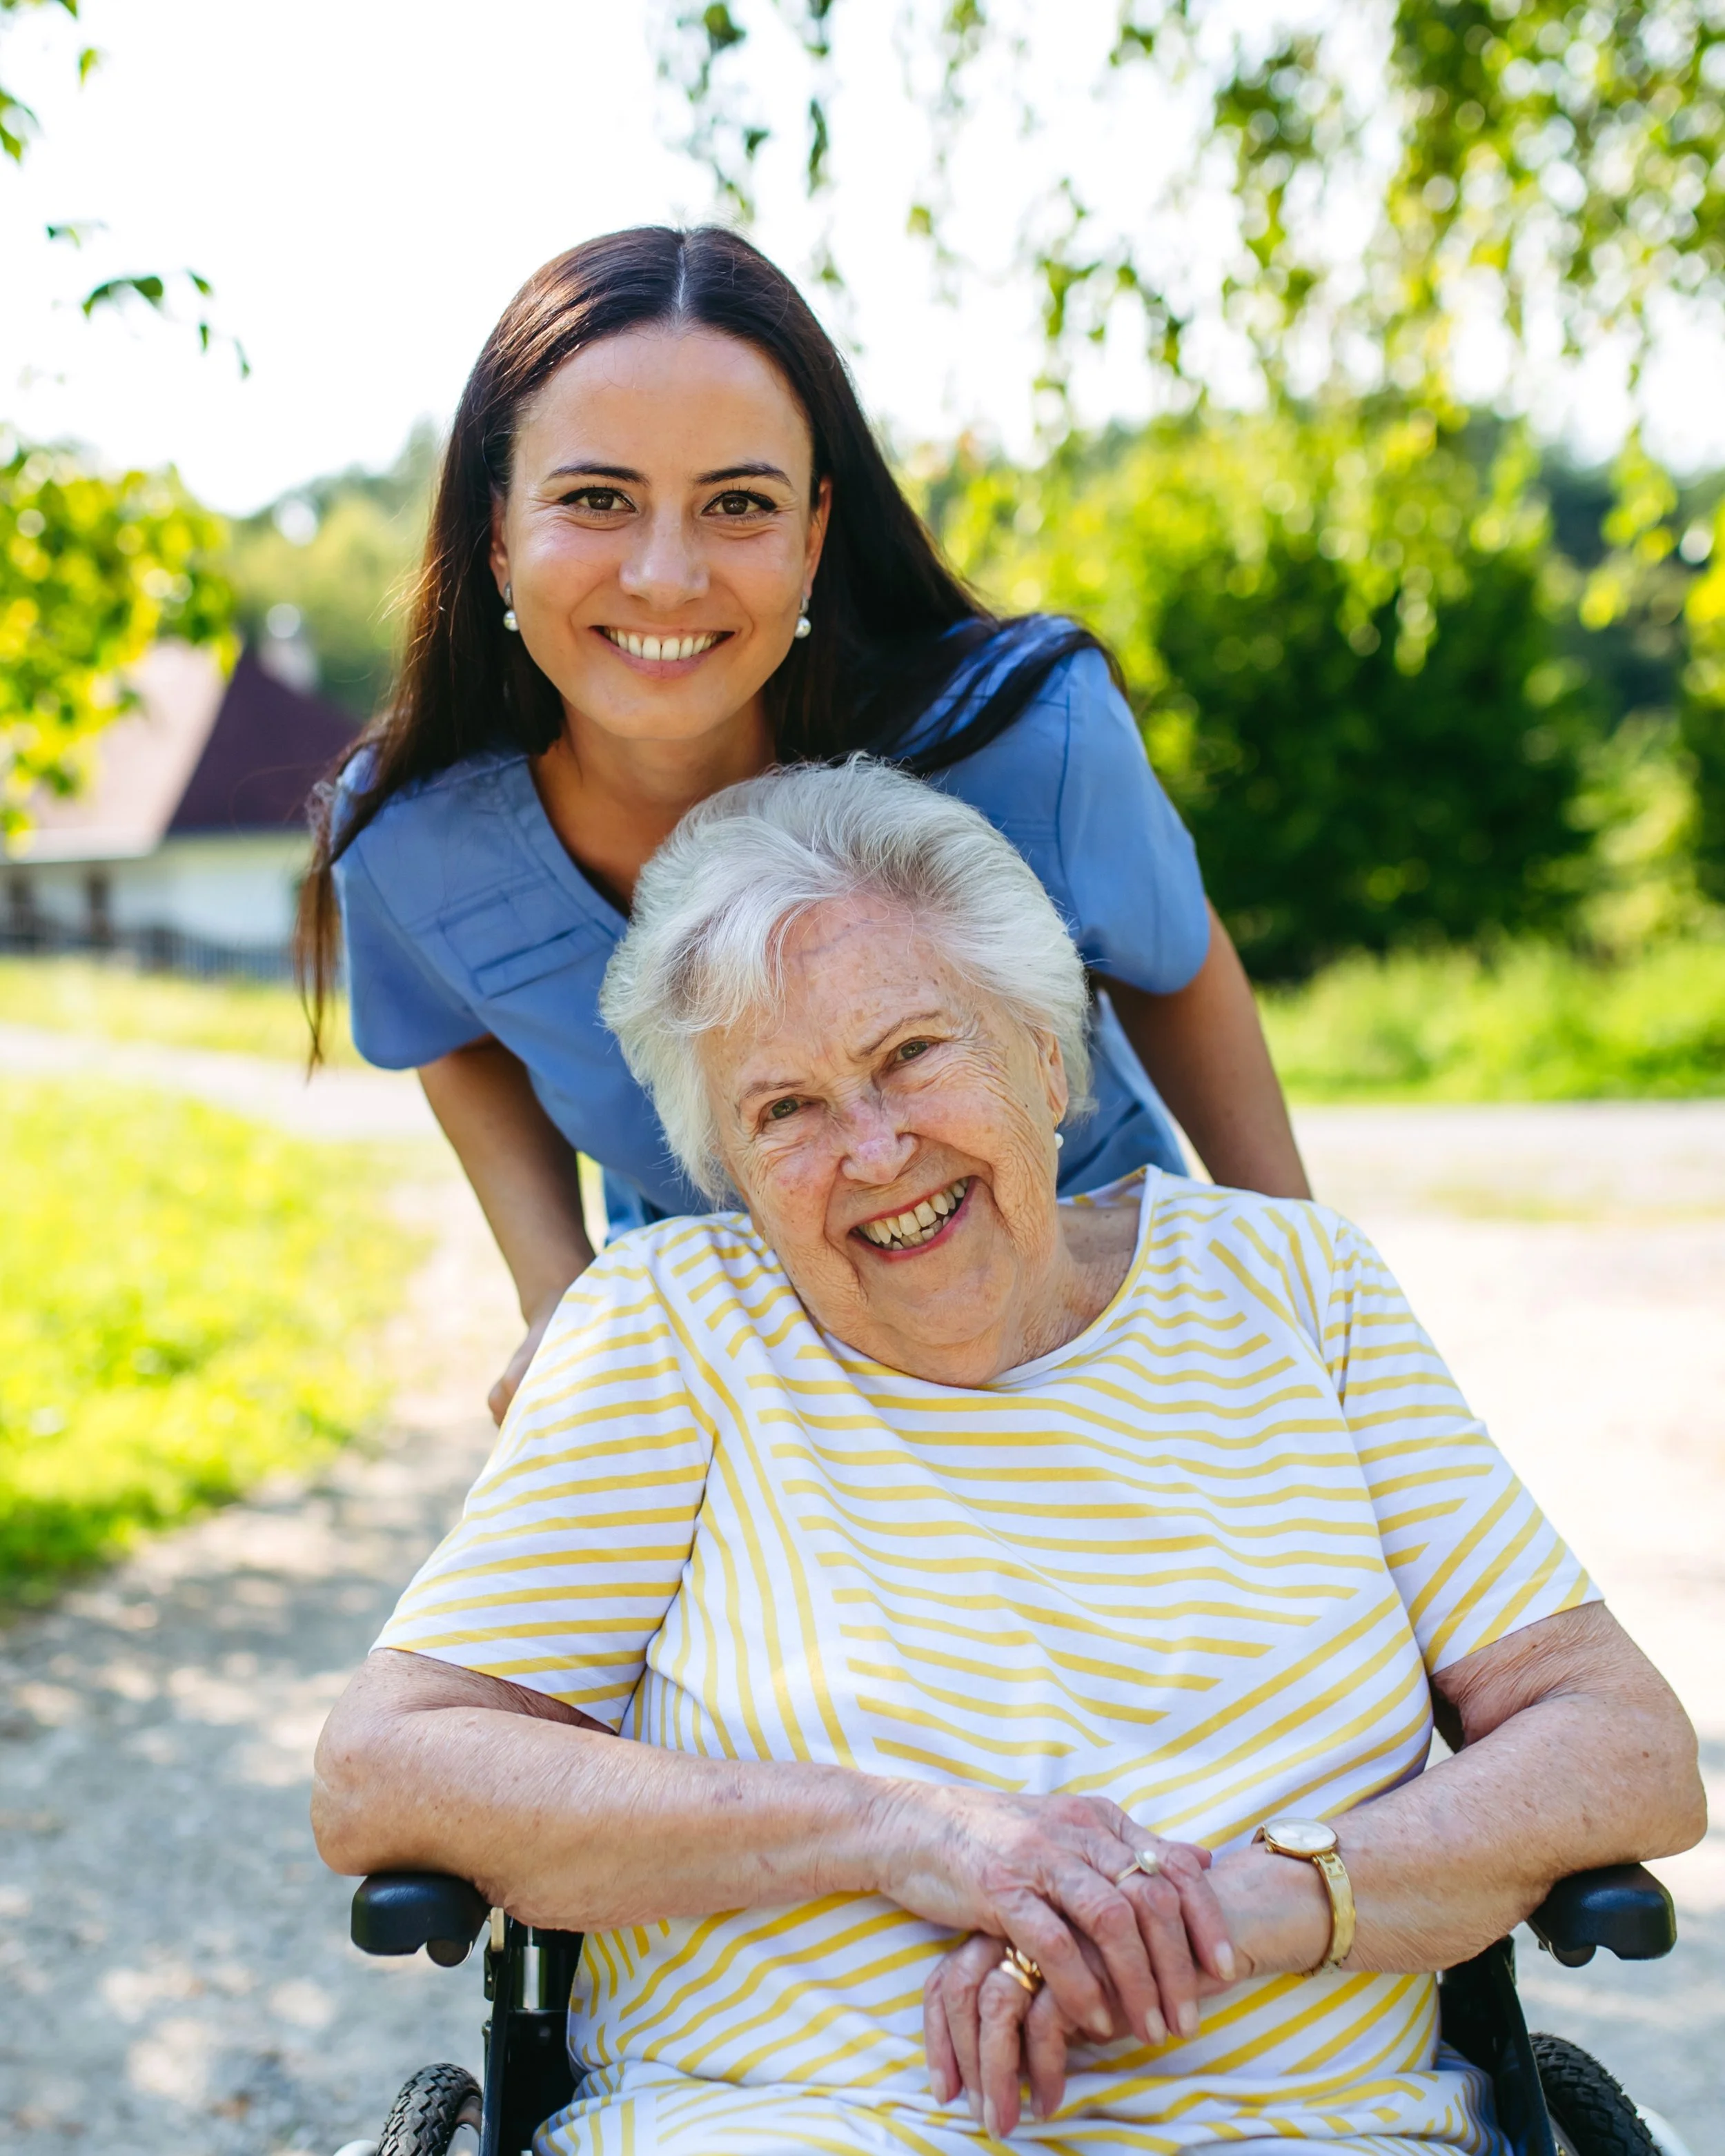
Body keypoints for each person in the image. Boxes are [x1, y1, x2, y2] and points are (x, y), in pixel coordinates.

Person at [313, 760, 1703, 2156]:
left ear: (1045, 1056)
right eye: (781, 1109)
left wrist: (1209, 1910)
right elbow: (388, 1770)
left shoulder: (1295, 1290)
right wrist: (910, 1834)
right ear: (728, 1166)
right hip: (783, 2126)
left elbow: (1622, 1744)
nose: (871, 1147)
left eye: (914, 1052)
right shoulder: (671, 1329)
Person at [295, 224, 1310, 1424]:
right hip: (751, 1386)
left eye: (737, 503)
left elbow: (1177, 968)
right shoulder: (412, 845)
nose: (665, 577)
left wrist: (1303, 1288)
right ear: (499, 538)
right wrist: (555, 1295)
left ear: (816, 535)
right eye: (596, 499)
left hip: (1102, 1332)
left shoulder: (1030, 742)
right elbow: (450, 1026)